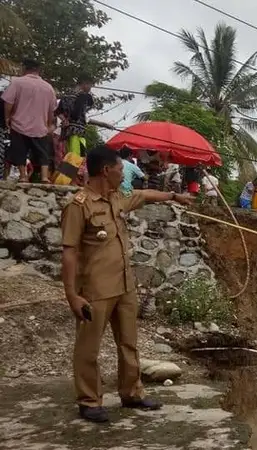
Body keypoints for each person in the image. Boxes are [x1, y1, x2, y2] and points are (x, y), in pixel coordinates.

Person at [60, 145, 193, 423]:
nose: (124, 174)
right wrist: (72, 295)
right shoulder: (79, 206)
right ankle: (89, 401)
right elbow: (69, 252)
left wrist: (174, 196)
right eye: (120, 169)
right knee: (89, 348)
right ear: (106, 170)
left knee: (129, 343)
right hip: (95, 290)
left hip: (124, 285)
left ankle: (132, 393)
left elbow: (144, 196)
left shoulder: (118, 198)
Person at [2, 59, 58, 182]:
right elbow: (51, 110)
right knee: (43, 153)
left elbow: (8, 102)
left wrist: (7, 117)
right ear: (38, 71)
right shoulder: (48, 88)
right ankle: (44, 177)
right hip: (40, 127)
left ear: (25, 69)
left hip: (19, 124)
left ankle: (23, 176)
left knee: (20, 151)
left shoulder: (17, 82)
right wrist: (48, 124)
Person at [56, 75, 94, 159]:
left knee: (67, 157)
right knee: (76, 158)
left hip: (65, 132)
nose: (90, 89)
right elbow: (76, 114)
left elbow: (58, 111)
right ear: (85, 84)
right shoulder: (82, 95)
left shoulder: (66, 95)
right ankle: (72, 172)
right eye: (90, 85)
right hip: (77, 131)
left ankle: (68, 171)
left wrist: (65, 120)